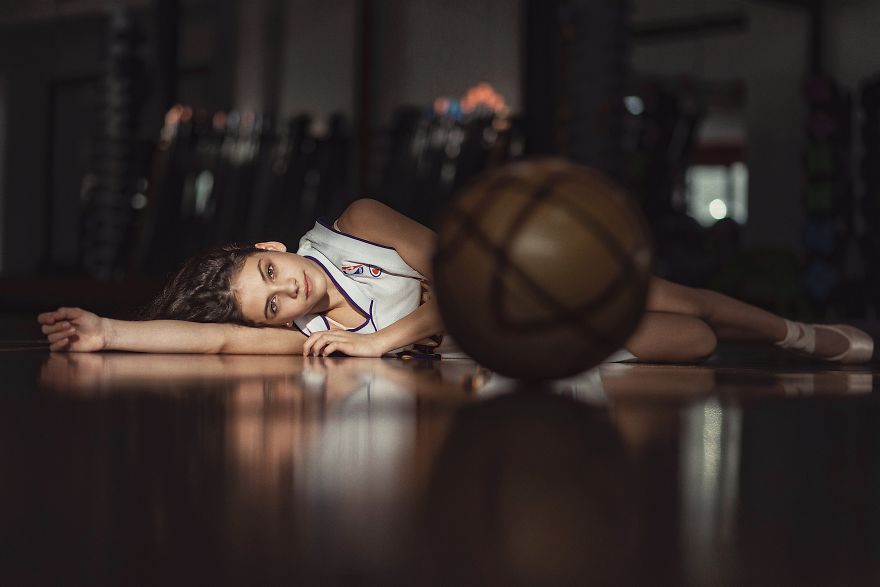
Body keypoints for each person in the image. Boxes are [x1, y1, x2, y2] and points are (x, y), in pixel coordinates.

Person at [38, 198, 873, 364]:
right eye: (273, 305)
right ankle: (789, 343)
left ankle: (808, 337)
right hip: (526, 346)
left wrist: (381, 346)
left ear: (272, 243)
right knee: (688, 344)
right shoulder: (305, 337)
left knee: (685, 302)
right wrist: (110, 332)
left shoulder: (355, 221)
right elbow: (215, 337)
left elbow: (457, 279)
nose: (286, 292)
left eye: (270, 271)